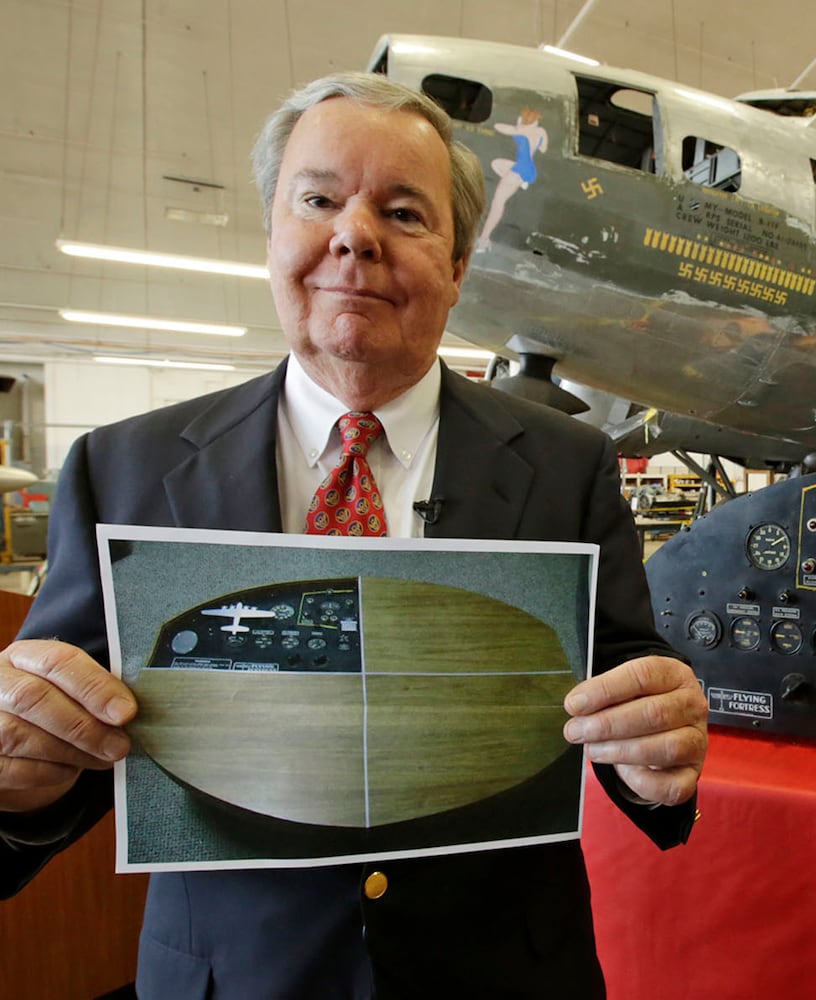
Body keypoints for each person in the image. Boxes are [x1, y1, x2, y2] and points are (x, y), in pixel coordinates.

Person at [0, 72, 706, 997]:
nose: (353, 234)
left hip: (501, 972)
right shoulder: (125, 466)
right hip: (233, 974)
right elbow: (78, 743)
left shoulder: (568, 465)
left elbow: (623, 700)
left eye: (404, 213)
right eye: (318, 199)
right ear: (272, 234)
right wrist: (21, 781)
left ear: (457, 267)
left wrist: (661, 756)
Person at [476, 107, 548, 252]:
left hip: (518, 170)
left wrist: (517, 126)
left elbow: (498, 126)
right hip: (528, 169)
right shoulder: (541, 132)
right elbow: (544, 149)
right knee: (497, 164)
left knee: (498, 203)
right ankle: (522, 182)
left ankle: (483, 239)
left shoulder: (520, 130)